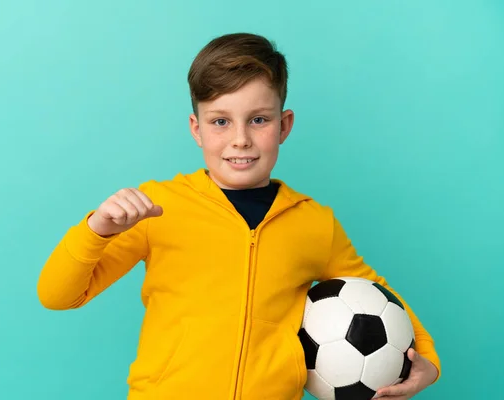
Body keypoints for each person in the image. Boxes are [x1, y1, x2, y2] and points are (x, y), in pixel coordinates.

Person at [37, 32, 441, 400]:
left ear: (284, 126)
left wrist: (428, 363)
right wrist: (97, 230)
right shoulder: (159, 208)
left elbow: (377, 294)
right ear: (196, 129)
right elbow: (57, 296)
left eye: (259, 120)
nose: (240, 139)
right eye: (220, 121)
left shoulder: (313, 223)